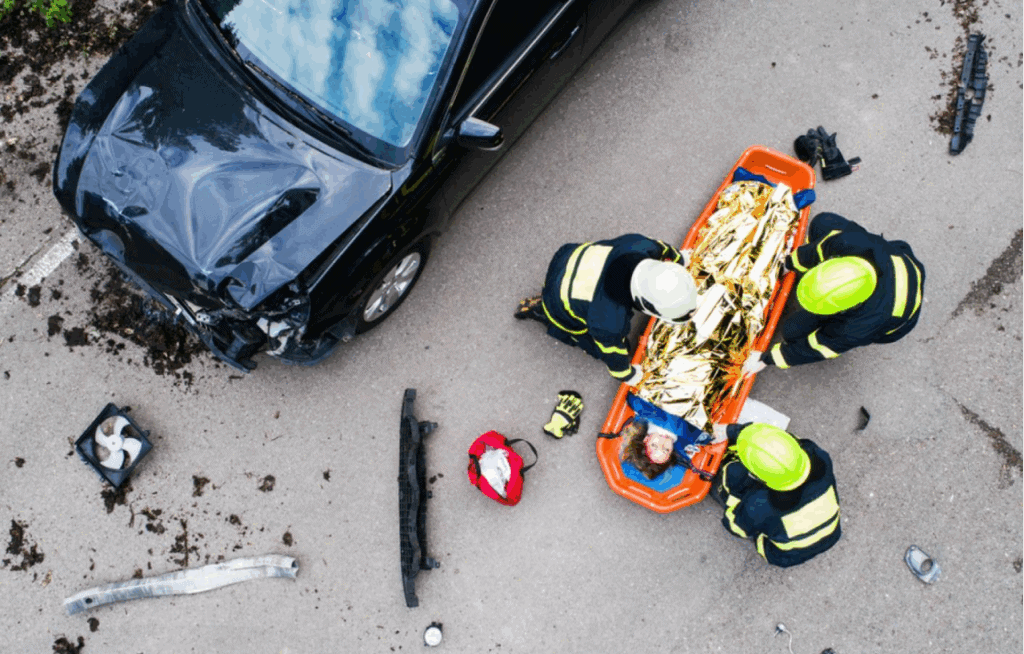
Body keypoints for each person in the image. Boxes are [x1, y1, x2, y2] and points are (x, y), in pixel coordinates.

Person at [742, 212, 925, 374]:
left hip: (895, 323)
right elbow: (820, 249)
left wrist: (768, 358)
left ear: (848, 307)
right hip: (898, 260)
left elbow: (820, 347)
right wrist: (788, 264)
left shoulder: (858, 327)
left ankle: (824, 321)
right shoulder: (850, 243)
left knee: (792, 331)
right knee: (823, 222)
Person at [515, 234, 698, 384]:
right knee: (594, 340)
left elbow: (663, 248)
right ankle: (542, 310)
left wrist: (680, 260)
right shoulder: (608, 322)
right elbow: (613, 354)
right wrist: (628, 375)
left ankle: (551, 298)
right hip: (558, 299)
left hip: (568, 257)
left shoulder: (640, 245)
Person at [709, 422, 841, 568]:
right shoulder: (820, 456)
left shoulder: (760, 505)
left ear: (758, 477)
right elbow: (788, 441)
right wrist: (733, 431)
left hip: (785, 555)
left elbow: (735, 527)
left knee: (732, 480)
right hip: (832, 534)